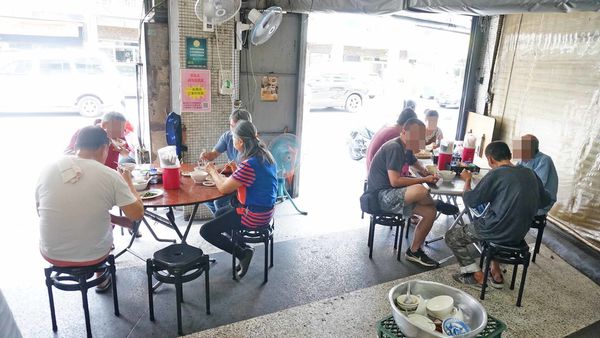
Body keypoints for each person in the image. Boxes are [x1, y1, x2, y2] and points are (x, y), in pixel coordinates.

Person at [37, 126, 144, 291]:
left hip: (52, 253)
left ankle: (100, 275)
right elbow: (137, 214)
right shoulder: (109, 175)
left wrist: (116, 219)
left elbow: (41, 210)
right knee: (101, 228)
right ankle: (101, 277)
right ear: (104, 148)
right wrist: (128, 180)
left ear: (76, 146)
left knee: (91, 214)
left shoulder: (47, 169)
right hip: (93, 255)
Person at [446, 141, 551, 288]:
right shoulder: (530, 173)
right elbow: (545, 201)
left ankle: (474, 276)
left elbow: (471, 201)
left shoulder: (496, 173)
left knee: (452, 237)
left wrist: (467, 180)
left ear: (490, 159)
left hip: (495, 230)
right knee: (485, 221)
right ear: (510, 155)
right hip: (519, 233)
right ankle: (494, 270)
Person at [366, 118, 457, 268]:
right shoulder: (394, 147)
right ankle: (436, 202)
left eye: (422, 138)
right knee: (421, 189)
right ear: (403, 132)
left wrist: (424, 171)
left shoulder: (405, 147)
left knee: (430, 212)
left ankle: (414, 251)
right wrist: (424, 179)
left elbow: (415, 162)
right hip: (380, 197)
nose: (420, 142)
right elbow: (395, 181)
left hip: (392, 194)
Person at [200, 121, 277, 278]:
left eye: (233, 138)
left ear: (240, 141)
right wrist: (235, 171)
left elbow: (223, 188)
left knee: (206, 231)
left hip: (254, 215)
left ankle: (242, 254)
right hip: (266, 211)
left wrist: (212, 171)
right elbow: (252, 183)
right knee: (220, 212)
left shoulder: (249, 164)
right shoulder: (265, 155)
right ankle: (244, 248)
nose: (232, 141)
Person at [200, 109, 253, 216]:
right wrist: (207, 155)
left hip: (246, 187)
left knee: (219, 202)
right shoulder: (228, 136)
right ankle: (221, 220)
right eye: (231, 126)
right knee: (206, 197)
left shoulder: (251, 148)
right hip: (237, 179)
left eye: (236, 127)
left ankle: (223, 223)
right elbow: (213, 155)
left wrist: (214, 172)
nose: (233, 131)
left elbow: (244, 174)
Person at [65, 112, 132, 170]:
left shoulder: (119, 136)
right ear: (104, 125)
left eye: (122, 129)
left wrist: (120, 149)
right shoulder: (85, 132)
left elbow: (126, 154)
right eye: (117, 129)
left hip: (111, 172)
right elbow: (68, 154)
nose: (121, 133)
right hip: (87, 172)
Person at [514, 134, 558, 215]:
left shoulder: (544, 160)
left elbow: (536, 185)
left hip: (542, 201)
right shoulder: (522, 160)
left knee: (507, 206)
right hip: (525, 198)